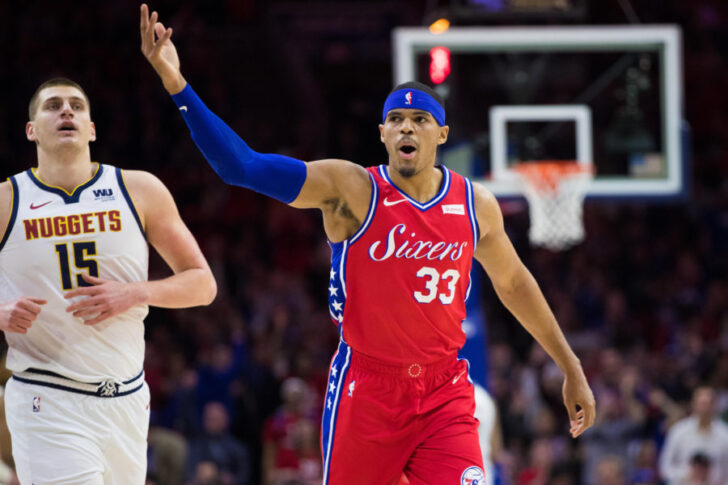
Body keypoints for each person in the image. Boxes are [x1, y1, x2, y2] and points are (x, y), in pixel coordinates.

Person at [140, 5, 596, 483]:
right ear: (382, 133)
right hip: (367, 389)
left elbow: (514, 283)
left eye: (419, 119)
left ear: (440, 133)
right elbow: (243, 167)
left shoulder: (475, 205)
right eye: (395, 119)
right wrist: (177, 84)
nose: (405, 127)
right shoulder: (351, 189)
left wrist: (571, 366)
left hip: (445, 391)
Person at [0, 77, 217, 484]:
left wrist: (135, 292)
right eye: (52, 106)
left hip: (127, 397)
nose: (66, 111)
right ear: (31, 130)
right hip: (46, 395)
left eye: (77, 106)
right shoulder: (7, 200)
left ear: (92, 128)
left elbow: (203, 283)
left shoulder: (138, 189)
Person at [659, 387, 728, 485]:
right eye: (702, 404)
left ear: (715, 406)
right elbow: (665, 465)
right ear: (694, 404)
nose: (705, 409)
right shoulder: (679, 431)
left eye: (709, 404)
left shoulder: (725, 434)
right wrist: (684, 477)